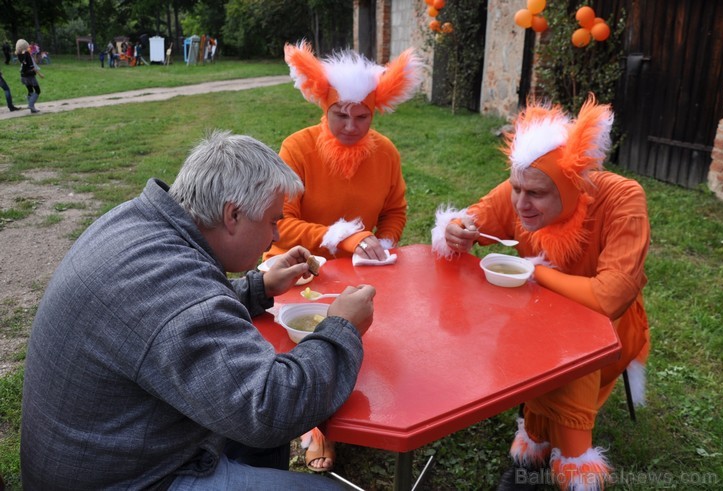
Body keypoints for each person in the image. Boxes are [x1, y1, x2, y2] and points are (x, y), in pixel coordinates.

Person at [20, 130, 376, 490]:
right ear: (233, 215)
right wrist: (341, 327)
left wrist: (258, 287)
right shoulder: (174, 287)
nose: (274, 237)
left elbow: (168, 314)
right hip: (133, 479)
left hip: (108, 448)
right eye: (272, 220)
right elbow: (270, 408)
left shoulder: (141, 223)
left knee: (259, 446)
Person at [432, 96, 650, 491]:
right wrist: (458, 227)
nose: (520, 204)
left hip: (611, 330)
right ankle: (543, 448)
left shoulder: (623, 199)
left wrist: (533, 272)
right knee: (538, 338)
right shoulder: (525, 185)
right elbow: (475, 216)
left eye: (535, 194)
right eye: (516, 189)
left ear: (571, 186)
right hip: (533, 320)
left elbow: (609, 298)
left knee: (573, 354)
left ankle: (551, 456)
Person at [262, 41, 422, 473]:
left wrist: (383, 246)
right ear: (325, 106)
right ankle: (315, 424)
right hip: (294, 269)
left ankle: (357, 404)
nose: (351, 125)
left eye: (362, 116)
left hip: (358, 268)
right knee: (306, 338)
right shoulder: (297, 148)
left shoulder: (385, 152)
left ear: (375, 111)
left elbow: (395, 210)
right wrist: (347, 237)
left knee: (372, 333)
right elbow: (281, 222)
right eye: (340, 114)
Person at [15, 39, 43, 114]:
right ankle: (31, 105)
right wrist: (40, 74)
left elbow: (23, 64)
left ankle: (32, 108)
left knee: (30, 91)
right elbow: (32, 66)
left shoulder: (18, 54)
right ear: (25, 45)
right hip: (30, 76)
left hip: (23, 76)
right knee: (37, 90)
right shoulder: (27, 53)